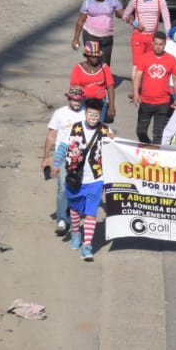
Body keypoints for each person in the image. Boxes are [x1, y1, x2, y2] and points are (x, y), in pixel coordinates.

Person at [52, 96, 115, 261]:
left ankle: (87, 246)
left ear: (100, 115)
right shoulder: (75, 128)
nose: (93, 118)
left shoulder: (105, 130)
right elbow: (63, 146)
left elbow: (116, 148)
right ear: (85, 113)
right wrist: (56, 164)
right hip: (75, 177)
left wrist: (114, 139)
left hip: (96, 179)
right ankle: (76, 233)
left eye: (96, 115)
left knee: (91, 213)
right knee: (74, 210)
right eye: (90, 115)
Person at [42, 86, 86, 237]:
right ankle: (62, 219)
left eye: (79, 100)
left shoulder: (87, 113)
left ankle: (72, 213)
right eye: (74, 100)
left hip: (81, 157)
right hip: (62, 155)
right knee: (62, 187)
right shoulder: (59, 113)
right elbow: (51, 135)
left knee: (77, 187)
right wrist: (46, 157)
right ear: (69, 98)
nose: (77, 103)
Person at [132, 30, 176, 143]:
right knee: (140, 131)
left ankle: (155, 151)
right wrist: (136, 93)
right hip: (146, 101)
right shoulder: (145, 57)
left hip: (163, 102)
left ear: (165, 44)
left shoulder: (171, 59)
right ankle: (147, 145)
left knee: (158, 134)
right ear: (152, 43)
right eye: (156, 44)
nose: (158, 47)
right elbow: (138, 76)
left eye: (161, 44)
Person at [122, 0, 171, 79]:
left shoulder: (160, 0)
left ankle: (147, 85)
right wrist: (135, 24)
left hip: (153, 37)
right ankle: (136, 86)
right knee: (137, 64)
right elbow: (125, 16)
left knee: (150, 62)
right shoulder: (135, 1)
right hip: (138, 36)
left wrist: (168, 34)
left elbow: (166, 17)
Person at [72, 0, 124, 64]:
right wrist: (76, 39)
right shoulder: (88, 3)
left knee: (105, 63)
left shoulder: (112, 1)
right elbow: (81, 21)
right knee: (93, 62)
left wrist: (134, 22)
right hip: (91, 36)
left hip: (107, 36)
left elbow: (123, 14)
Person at [70, 41, 117, 120]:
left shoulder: (105, 68)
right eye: (92, 56)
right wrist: (74, 105)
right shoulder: (78, 68)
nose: (94, 58)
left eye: (96, 56)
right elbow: (74, 87)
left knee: (98, 124)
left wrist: (112, 107)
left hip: (100, 102)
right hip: (83, 102)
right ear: (86, 56)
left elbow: (110, 86)